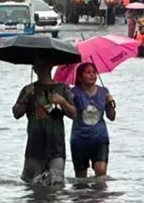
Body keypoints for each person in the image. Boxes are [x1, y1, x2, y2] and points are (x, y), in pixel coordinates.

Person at [12, 57, 77, 186]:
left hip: (56, 147)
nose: (38, 68)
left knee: (57, 185)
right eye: (36, 65)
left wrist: (62, 101)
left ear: (50, 66)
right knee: (32, 186)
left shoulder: (62, 88)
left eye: (42, 65)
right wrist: (26, 95)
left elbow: (74, 114)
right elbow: (16, 113)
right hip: (34, 147)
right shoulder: (28, 89)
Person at [70, 63, 116, 179]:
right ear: (80, 77)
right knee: (81, 179)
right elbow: (70, 113)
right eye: (88, 72)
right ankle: (86, 197)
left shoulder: (103, 91)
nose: (92, 75)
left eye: (94, 72)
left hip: (100, 138)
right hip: (79, 139)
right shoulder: (74, 93)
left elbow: (111, 117)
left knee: (101, 172)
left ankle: (98, 196)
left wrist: (110, 103)